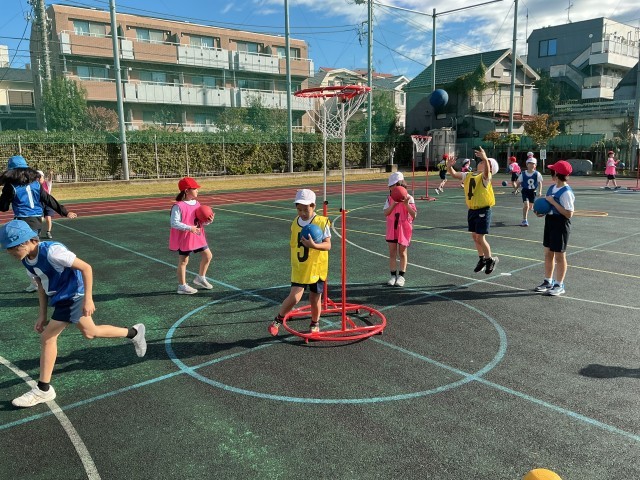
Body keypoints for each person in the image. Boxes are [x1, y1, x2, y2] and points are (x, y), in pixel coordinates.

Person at [0, 219, 147, 408]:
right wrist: (42, 315)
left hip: (73, 296)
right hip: (60, 298)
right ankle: (134, 333)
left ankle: (43, 389)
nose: (10, 252)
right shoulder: (27, 261)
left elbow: (86, 268)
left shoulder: (53, 251)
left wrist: (88, 298)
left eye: (13, 248)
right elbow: (41, 286)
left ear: (28, 241)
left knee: (47, 338)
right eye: (8, 249)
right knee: (90, 332)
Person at [0, 155, 77, 292]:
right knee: (32, 251)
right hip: (37, 220)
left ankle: (40, 281)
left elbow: (4, 207)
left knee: (27, 253)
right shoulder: (36, 184)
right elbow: (48, 199)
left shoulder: (10, 186)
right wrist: (65, 212)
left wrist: (5, 198)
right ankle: (41, 280)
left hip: (23, 221)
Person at [269, 189, 331, 336]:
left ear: (313, 206)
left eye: (305, 209)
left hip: (316, 267)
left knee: (315, 298)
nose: (302, 213)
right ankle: (278, 320)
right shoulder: (295, 223)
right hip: (300, 267)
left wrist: (314, 245)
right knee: (295, 297)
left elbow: (328, 245)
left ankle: (315, 323)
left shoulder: (322, 222)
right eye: (299, 209)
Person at [447, 146, 499, 274]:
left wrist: (485, 158)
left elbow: (486, 172)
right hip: (472, 210)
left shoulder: (485, 177)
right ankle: (482, 259)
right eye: (482, 161)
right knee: (475, 237)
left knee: (480, 237)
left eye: (485, 163)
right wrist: (449, 166)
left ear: (490, 168)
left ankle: (490, 259)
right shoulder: (469, 174)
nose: (481, 162)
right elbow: (454, 174)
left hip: (483, 210)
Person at [534, 160, 575, 296]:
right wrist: (541, 212)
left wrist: (553, 202)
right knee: (548, 253)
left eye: (552, 171)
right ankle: (548, 281)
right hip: (550, 221)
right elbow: (548, 207)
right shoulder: (552, 188)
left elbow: (569, 214)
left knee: (559, 256)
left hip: (561, 224)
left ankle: (559, 284)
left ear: (557, 174)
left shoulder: (566, 192)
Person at [169, 177, 214, 294]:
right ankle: (182, 286)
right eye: (195, 188)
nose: (197, 190)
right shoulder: (178, 206)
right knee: (184, 261)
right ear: (186, 191)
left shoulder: (197, 203)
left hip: (197, 235)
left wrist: (208, 221)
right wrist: (190, 228)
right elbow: (174, 223)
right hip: (186, 237)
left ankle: (200, 278)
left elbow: (199, 221)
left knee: (208, 256)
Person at [384, 172, 417, 287]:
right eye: (390, 186)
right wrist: (393, 204)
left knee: (402, 252)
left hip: (404, 228)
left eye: (393, 186)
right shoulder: (389, 199)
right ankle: (393, 275)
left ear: (400, 185)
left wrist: (406, 204)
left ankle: (401, 276)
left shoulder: (409, 198)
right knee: (392, 252)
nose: (391, 188)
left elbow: (414, 215)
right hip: (392, 228)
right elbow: (386, 213)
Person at [515, 157, 543, 227]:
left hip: (533, 192)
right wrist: (516, 189)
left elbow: (540, 183)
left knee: (530, 207)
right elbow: (519, 182)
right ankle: (524, 220)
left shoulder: (537, 174)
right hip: (525, 191)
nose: (531, 165)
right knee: (526, 205)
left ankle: (532, 209)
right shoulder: (523, 174)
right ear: (527, 165)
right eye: (530, 163)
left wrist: (540, 191)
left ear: (535, 165)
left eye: (533, 164)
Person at [37, 170, 55, 239]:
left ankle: (48, 232)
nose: (39, 178)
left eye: (40, 176)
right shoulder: (36, 185)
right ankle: (38, 231)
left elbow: (50, 179)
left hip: (47, 202)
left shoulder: (47, 183)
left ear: (43, 177)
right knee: (40, 218)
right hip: (39, 203)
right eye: (37, 177)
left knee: (48, 217)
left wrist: (51, 174)